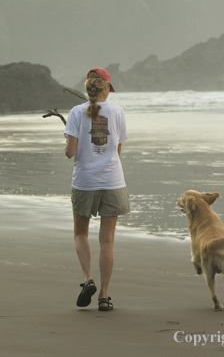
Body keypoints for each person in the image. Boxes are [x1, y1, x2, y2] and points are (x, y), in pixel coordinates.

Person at [64, 67, 130, 311]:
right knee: (107, 240)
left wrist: (69, 141)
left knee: (81, 234)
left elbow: (70, 152)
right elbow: (117, 152)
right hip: (113, 181)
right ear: (106, 89)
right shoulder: (118, 112)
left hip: (85, 182)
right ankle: (104, 296)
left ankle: (87, 279)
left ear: (88, 87)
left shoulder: (76, 112)